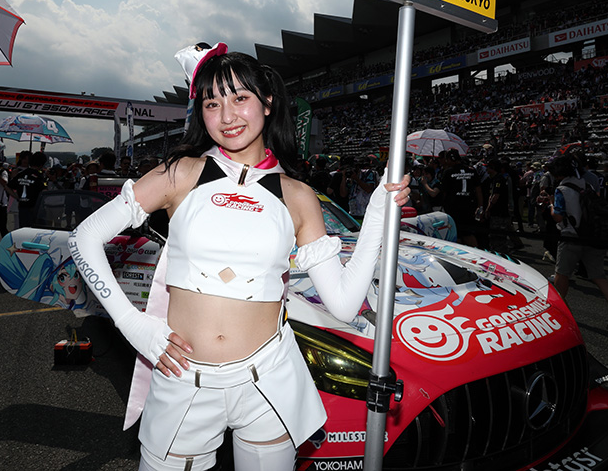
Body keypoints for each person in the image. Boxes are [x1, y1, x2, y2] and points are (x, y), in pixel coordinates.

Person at [69, 43, 410, 471]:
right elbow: (84, 238)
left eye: (240, 98)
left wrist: (377, 215)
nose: (227, 116)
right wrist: (133, 325)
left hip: (270, 379)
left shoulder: (298, 195)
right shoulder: (180, 173)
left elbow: (342, 305)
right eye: (212, 103)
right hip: (183, 379)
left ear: (267, 103)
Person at [547, 156, 608, 332]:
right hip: (593, 236)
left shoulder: (562, 189)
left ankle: (562, 315)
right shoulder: (586, 185)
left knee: (562, 275)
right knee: (599, 276)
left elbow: (558, 216)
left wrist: (550, 205)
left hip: (571, 236)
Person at [439, 150, 483, 246]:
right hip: (469, 206)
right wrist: (480, 206)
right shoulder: (471, 171)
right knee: (467, 232)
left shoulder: (448, 172)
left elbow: (444, 191)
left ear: (450, 159)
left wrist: (443, 204)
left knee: (457, 233)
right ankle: (474, 250)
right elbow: (478, 190)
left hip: (454, 206)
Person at [9, 150, 47, 228]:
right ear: (41, 164)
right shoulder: (39, 176)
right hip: (35, 207)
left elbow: (7, 186)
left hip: (23, 207)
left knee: (24, 230)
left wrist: (17, 197)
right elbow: (44, 191)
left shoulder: (21, 174)